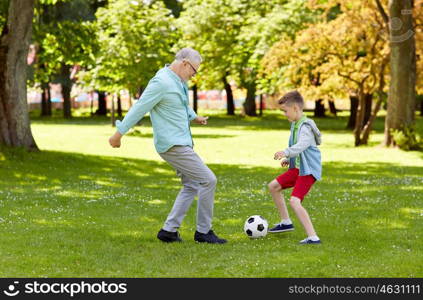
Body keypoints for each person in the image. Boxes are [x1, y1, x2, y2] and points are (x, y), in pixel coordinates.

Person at [108, 48, 227, 244]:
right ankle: (203, 232)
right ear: (184, 63)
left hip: (181, 142)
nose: (193, 75)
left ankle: (168, 231)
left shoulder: (177, 82)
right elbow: (140, 107)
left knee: (190, 185)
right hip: (173, 144)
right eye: (194, 71)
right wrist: (118, 134)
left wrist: (193, 116)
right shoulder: (161, 82)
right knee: (208, 180)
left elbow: (180, 104)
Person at [267, 90, 322, 244]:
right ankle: (286, 222)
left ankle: (313, 237)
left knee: (295, 201)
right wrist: (288, 158)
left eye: (285, 111)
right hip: (299, 169)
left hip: (308, 171)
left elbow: (302, 145)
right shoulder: (295, 124)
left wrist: (286, 152)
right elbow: (297, 148)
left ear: (296, 108)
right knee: (273, 186)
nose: (285, 114)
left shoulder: (305, 127)